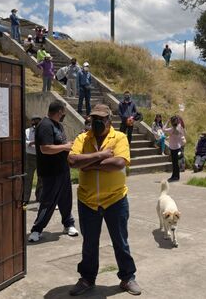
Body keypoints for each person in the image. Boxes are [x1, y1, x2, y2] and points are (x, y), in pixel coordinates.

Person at [67, 104, 142, 296]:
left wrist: (89, 163)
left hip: (115, 199)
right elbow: (73, 162)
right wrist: (101, 156)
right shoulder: (82, 138)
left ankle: (127, 278)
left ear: (109, 120)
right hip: (87, 201)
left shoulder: (119, 137)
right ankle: (87, 279)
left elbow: (118, 163)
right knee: (89, 243)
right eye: (94, 119)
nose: (97, 122)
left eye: (101, 119)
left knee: (120, 242)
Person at [28, 101, 79, 242]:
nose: (64, 115)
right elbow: (45, 148)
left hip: (63, 170)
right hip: (50, 172)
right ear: (59, 111)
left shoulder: (59, 126)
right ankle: (37, 229)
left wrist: (68, 146)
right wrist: (65, 147)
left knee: (65, 200)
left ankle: (68, 224)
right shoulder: (45, 125)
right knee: (48, 201)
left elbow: (62, 144)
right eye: (64, 112)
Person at [23, 115, 42, 206]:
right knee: (28, 178)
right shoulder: (27, 131)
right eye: (34, 121)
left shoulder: (43, 131)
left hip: (40, 157)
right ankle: (25, 198)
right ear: (32, 122)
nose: (36, 123)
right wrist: (30, 142)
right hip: (30, 157)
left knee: (41, 178)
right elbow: (23, 141)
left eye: (38, 121)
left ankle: (39, 196)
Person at [163, 115, 186, 182]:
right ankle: (176, 176)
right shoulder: (179, 128)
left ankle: (175, 176)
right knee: (176, 163)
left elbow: (163, 129)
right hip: (178, 147)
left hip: (173, 148)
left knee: (174, 163)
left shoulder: (171, 130)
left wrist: (167, 121)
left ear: (172, 122)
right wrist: (178, 119)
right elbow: (180, 124)